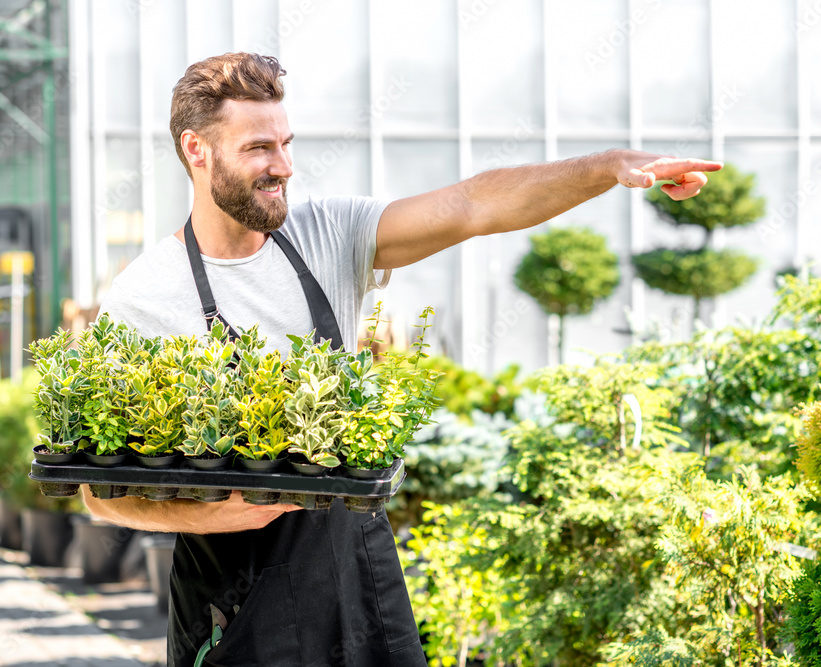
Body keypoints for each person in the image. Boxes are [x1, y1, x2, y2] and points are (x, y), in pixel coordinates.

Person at [81, 52, 721, 667]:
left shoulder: (327, 236)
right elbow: (97, 495)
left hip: (358, 578)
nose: (284, 166)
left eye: (285, 142)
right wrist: (213, 515)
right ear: (197, 150)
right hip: (236, 603)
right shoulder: (146, 298)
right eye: (258, 148)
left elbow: (477, 204)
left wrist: (608, 167)